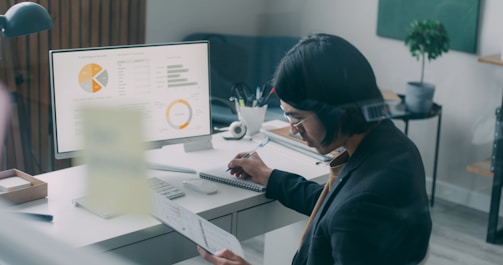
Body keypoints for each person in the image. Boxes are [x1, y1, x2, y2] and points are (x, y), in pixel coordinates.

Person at [198, 33, 431, 265]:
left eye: (297, 118)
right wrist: (270, 177)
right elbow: (333, 205)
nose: (293, 130)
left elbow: (346, 210)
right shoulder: (393, 145)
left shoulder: (361, 207)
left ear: (334, 110)